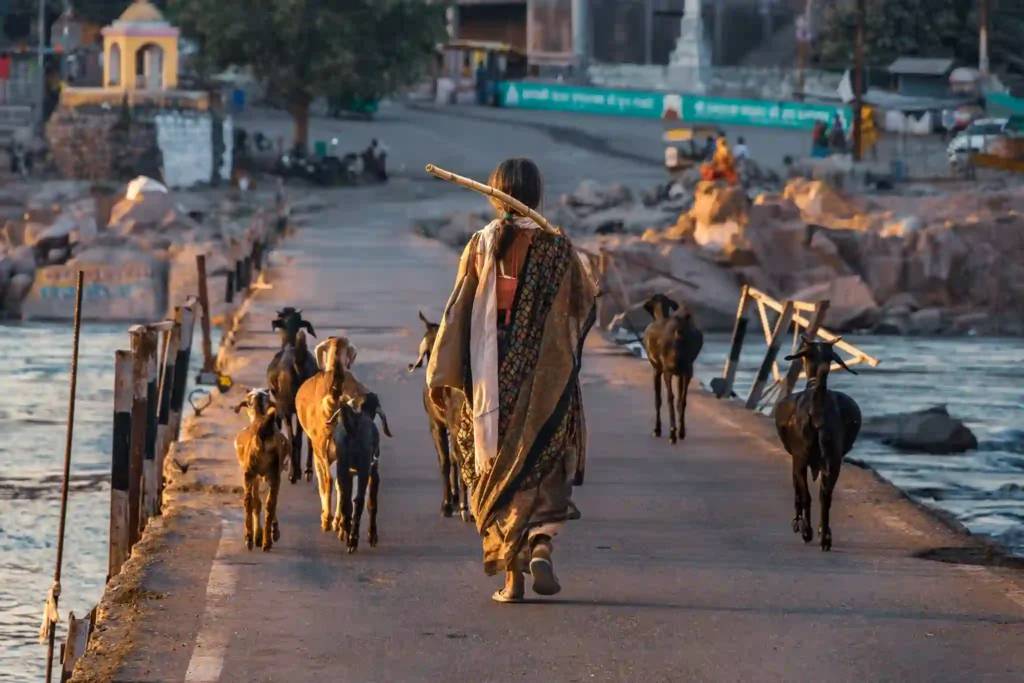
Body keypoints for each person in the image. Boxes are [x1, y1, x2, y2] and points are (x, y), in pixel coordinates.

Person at [426, 157, 598, 603]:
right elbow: (582, 304)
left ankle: (513, 577)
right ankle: (541, 544)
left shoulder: (481, 246)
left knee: (495, 466)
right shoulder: (558, 246)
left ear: (494, 195)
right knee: (547, 457)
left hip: (492, 375)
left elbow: (459, 311)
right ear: (537, 195)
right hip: (549, 375)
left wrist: (446, 373)